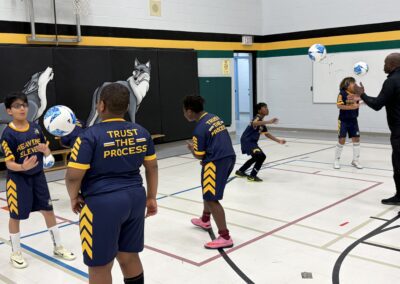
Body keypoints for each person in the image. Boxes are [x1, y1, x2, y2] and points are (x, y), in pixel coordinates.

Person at [65, 83, 158, 284]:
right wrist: (151, 197)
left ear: (101, 105)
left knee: (100, 265)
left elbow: (73, 176)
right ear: (126, 106)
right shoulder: (142, 132)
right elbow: (152, 168)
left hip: (102, 203)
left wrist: (73, 196)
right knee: (129, 256)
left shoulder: (88, 136)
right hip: (135, 198)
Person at [1, 92, 75, 269]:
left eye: (24, 105)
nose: (22, 108)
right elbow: (9, 164)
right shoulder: (8, 134)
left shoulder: (35, 128)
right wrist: (22, 167)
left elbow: (47, 155)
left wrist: (47, 153)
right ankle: (16, 252)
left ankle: (58, 247)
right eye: (17, 106)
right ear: (9, 110)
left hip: (38, 177)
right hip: (18, 181)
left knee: (48, 211)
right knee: (15, 216)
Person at [183, 95, 235, 249]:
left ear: (190, 112)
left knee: (212, 198)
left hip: (215, 162)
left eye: (184, 111)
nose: (184, 114)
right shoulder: (214, 117)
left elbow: (199, 155)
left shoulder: (199, 129)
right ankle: (205, 220)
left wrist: (192, 149)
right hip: (228, 157)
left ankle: (225, 237)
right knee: (208, 190)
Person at [353, 53, 400, 205]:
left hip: (399, 132)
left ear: (393, 65)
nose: (383, 66)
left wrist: (362, 94)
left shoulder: (391, 81)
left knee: (398, 165)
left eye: (385, 63)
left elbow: (377, 104)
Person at [236, 102, 286, 182]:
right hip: (248, 140)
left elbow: (267, 134)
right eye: (264, 107)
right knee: (261, 156)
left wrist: (278, 140)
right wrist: (269, 122)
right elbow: (254, 123)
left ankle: (240, 171)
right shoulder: (257, 117)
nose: (267, 109)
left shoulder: (262, 122)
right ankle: (252, 176)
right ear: (259, 110)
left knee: (257, 157)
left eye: (267, 107)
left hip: (251, 142)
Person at [334, 77, 363, 170]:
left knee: (356, 139)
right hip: (343, 120)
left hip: (353, 120)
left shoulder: (356, 94)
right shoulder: (342, 93)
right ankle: (336, 160)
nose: (355, 85)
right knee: (342, 139)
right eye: (353, 83)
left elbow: (360, 101)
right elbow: (339, 105)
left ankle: (355, 160)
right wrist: (352, 107)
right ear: (347, 84)